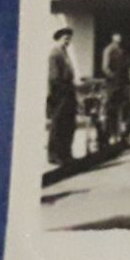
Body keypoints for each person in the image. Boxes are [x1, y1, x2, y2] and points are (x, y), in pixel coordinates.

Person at [47, 27, 79, 165]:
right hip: (60, 93)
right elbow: (54, 78)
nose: (68, 41)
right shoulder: (55, 54)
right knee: (58, 125)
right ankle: (54, 155)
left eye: (69, 39)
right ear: (58, 39)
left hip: (68, 92)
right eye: (65, 39)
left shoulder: (65, 53)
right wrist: (63, 91)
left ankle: (66, 153)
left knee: (69, 124)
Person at [100, 31, 129, 143]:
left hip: (122, 82)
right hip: (112, 83)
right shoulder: (108, 50)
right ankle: (108, 135)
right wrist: (113, 77)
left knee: (121, 107)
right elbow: (105, 67)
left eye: (120, 36)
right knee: (110, 108)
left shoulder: (121, 50)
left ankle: (118, 134)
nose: (119, 38)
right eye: (117, 36)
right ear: (113, 37)